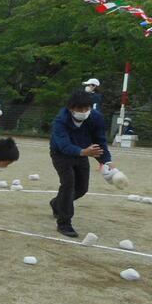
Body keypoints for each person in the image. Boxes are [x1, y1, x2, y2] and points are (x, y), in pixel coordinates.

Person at [49, 90, 119, 238]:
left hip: (83, 152)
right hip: (61, 154)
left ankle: (57, 204)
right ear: (71, 108)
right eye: (79, 109)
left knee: (82, 188)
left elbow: (100, 141)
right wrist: (83, 151)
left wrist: (107, 161)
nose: (84, 112)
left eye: (87, 108)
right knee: (68, 184)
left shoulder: (96, 117)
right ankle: (64, 223)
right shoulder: (60, 120)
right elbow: (64, 146)